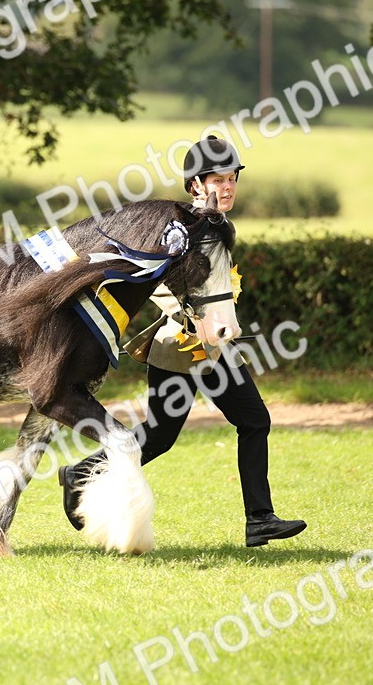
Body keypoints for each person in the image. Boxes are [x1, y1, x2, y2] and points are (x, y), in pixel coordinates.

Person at [57, 135, 307, 548]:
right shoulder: (180, 229)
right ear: (195, 184)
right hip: (182, 347)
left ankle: (260, 519)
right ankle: (83, 473)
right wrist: (192, 321)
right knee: (168, 434)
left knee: (234, 423)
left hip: (210, 348)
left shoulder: (219, 226)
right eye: (217, 180)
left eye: (232, 179)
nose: (227, 188)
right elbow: (151, 280)